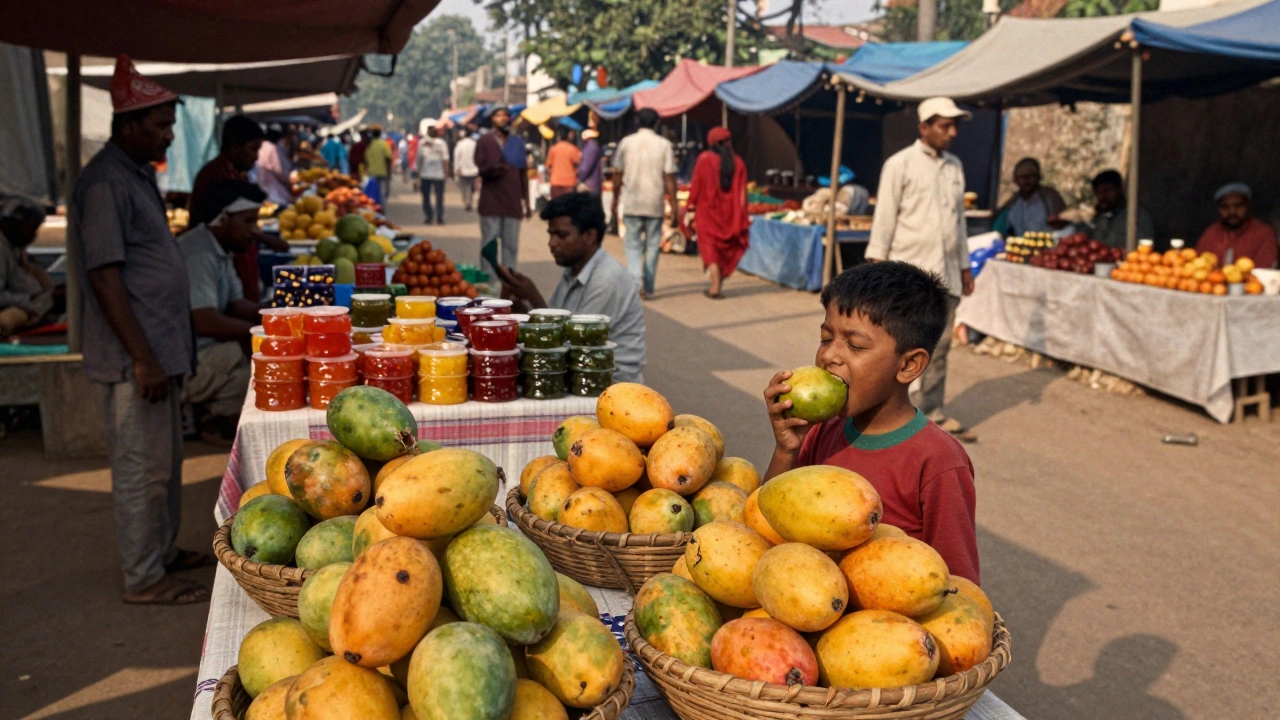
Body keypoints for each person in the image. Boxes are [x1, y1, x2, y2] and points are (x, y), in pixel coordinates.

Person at [74, 56, 209, 606]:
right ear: (128, 125)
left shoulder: (134, 175)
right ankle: (144, 576)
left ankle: (164, 550)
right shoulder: (106, 183)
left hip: (160, 349)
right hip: (138, 356)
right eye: (160, 126)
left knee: (164, 463)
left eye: (171, 125)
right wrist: (143, 357)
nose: (170, 136)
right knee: (140, 467)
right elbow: (105, 278)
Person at [762, 261, 979, 583]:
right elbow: (766, 519)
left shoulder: (939, 462)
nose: (829, 356)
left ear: (909, 365)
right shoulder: (821, 430)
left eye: (855, 345)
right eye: (825, 339)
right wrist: (786, 450)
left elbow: (958, 583)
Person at [868, 97, 975, 443]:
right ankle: (884, 412)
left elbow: (958, 223)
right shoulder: (900, 164)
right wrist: (877, 269)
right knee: (896, 346)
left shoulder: (955, 166)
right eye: (945, 125)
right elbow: (884, 218)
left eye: (955, 125)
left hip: (946, 273)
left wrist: (965, 266)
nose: (952, 132)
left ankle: (933, 412)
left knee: (940, 346)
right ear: (924, 127)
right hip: (907, 273)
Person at [496, 193, 646, 383]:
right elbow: (556, 331)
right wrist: (522, 310)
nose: (552, 243)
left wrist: (535, 300)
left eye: (561, 235)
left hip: (608, 383)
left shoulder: (607, 280)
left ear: (589, 236)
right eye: (550, 235)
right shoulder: (573, 271)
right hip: (581, 370)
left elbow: (573, 347)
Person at [179, 180, 262, 441]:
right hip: (184, 357)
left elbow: (236, 304)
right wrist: (268, 330)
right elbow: (206, 321)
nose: (254, 230)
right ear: (224, 218)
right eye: (248, 221)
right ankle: (211, 418)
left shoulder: (219, 249)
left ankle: (209, 415)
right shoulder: (199, 254)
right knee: (253, 360)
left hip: (201, 348)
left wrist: (280, 314)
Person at [191, 115, 287, 302]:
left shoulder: (235, 174)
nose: (256, 156)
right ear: (235, 146)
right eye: (253, 149)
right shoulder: (217, 176)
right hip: (222, 263)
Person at [613, 108, 677, 299]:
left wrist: (615, 199)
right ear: (657, 123)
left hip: (632, 202)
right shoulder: (664, 145)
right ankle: (647, 286)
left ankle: (636, 282)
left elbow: (617, 174)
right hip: (654, 203)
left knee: (632, 245)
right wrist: (674, 205)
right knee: (651, 246)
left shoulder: (626, 143)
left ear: (636, 121)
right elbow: (670, 178)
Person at [685, 127, 750, 299]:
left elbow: (696, 186)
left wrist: (690, 205)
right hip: (730, 215)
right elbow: (743, 194)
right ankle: (717, 284)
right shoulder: (739, 163)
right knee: (722, 251)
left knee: (710, 250)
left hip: (708, 213)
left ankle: (715, 288)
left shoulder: (704, 159)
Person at [475, 105, 531, 280]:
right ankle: (488, 280)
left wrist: (527, 203)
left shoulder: (517, 143)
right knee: (489, 244)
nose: (502, 118)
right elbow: (481, 167)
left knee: (511, 246)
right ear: (492, 118)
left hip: (512, 202)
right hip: (490, 201)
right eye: (498, 115)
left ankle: (509, 281)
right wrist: (497, 168)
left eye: (505, 115)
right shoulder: (484, 141)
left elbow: (523, 175)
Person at [0, 196, 56, 336]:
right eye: (31, 228)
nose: (33, 236)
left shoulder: (16, 249)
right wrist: (29, 301)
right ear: (11, 224)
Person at [1195, 183, 1278, 269]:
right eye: (1225, 207)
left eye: (1238, 206)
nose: (1232, 212)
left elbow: (1265, 272)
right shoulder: (1211, 233)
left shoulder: (1263, 234)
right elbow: (1197, 268)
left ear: (1248, 205)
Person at [1085, 170, 1154, 250]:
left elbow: (1143, 248)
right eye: (1098, 192)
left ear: (1120, 189)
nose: (1101, 197)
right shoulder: (1098, 218)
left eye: (1107, 191)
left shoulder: (1137, 215)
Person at [998, 157, 1066, 236]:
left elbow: (1061, 224)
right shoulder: (1014, 201)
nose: (1027, 181)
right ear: (1015, 179)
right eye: (1023, 177)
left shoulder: (1049, 196)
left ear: (1038, 178)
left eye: (1031, 177)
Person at [418, 125, 450, 225]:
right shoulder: (424, 143)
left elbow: (445, 158)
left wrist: (446, 171)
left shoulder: (437, 143)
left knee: (433, 197)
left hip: (433, 174)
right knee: (435, 197)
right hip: (431, 174)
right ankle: (433, 217)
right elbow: (445, 159)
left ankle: (434, 217)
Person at [255, 127, 294, 207]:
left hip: (263, 186)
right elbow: (279, 171)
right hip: (275, 191)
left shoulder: (261, 146)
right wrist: (288, 182)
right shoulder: (271, 148)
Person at [545, 127, 582, 199]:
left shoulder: (553, 149)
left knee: (556, 207)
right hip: (569, 183)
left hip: (555, 182)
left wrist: (552, 175)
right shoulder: (573, 149)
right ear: (569, 134)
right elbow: (579, 165)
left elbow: (548, 167)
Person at [362, 125, 393, 207]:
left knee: (373, 194)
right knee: (382, 194)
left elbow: (366, 159)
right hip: (383, 173)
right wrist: (389, 171)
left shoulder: (369, 145)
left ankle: (375, 209)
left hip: (372, 173)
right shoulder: (384, 144)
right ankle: (381, 210)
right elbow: (388, 158)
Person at [453, 128, 479, 212]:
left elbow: (457, 157)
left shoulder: (460, 144)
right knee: (472, 188)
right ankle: (470, 200)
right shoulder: (475, 144)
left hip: (463, 170)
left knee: (465, 187)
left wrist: (456, 169)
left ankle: (467, 201)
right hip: (475, 170)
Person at [577, 128, 604, 196]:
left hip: (588, 185)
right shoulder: (594, 146)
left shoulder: (591, 146)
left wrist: (578, 178)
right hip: (593, 184)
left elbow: (584, 168)